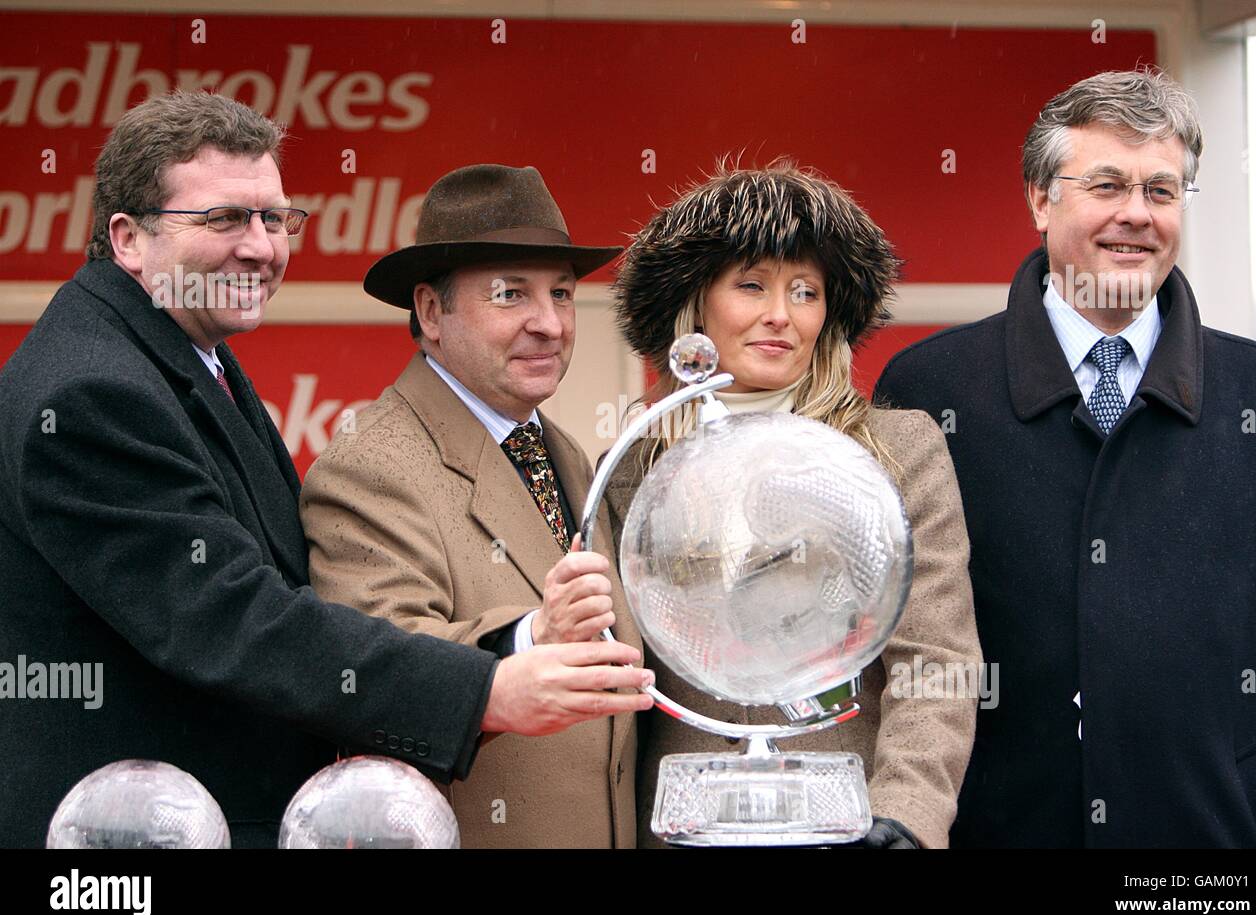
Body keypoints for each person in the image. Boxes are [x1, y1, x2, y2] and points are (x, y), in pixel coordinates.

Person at [0, 93, 652, 849]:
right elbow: (235, 620)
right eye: (224, 220)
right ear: (128, 238)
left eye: (276, 219)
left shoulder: (179, 353)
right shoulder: (94, 390)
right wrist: (490, 686)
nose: (260, 246)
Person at [874, 68, 1256, 848]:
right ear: (1041, 198)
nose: (1136, 215)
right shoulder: (928, 389)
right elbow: (898, 640)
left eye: (1162, 191)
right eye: (1106, 185)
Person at [604, 162, 983, 848]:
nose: (781, 313)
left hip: (851, 828)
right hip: (687, 834)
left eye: (805, 291)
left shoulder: (901, 450)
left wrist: (906, 812)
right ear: (697, 304)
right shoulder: (637, 464)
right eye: (752, 285)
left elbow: (936, 661)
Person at [300, 164, 647, 848]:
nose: (548, 324)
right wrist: (528, 637)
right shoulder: (370, 463)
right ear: (431, 312)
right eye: (511, 294)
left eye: (563, 294)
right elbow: (377, 673)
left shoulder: (567, 454)